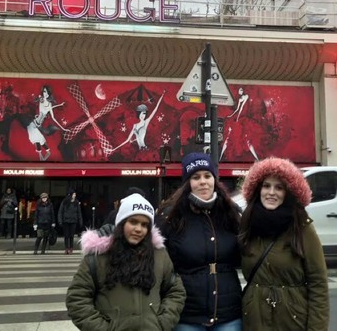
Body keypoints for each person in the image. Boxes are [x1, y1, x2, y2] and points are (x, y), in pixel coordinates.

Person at [66, 193, 186, 330]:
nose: (139, 229)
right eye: (133, 222)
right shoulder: (98, 256)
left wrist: (162, 322)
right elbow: (77, 299)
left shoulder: (160, 255)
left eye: (145, 224)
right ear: (121, 223)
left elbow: (175, 291)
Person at [239, 157, 329, 331]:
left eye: (279, 187)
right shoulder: (247, 225)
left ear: (288, 193)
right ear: (258, 189)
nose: (271, 192)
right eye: (266, 186)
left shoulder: (302, 228)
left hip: (292, 321)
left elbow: (318, 284)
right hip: (254, 321)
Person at [158, 153, 243, 330]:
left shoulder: (231, 213)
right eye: (196, 177)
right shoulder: (171, 217)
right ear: (187, 183)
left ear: (214, 179)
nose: (203, 182)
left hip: (228, 314)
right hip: (187, 315)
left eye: (207, 176)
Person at [27, 85, 68, 161]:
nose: (44, 93)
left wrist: (63, 128)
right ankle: (41, 160)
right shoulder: (41, 100)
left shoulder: (49, 105)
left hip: (36, 126)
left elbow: (53, 117)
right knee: (39, 140)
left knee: (44, 147)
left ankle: (42, 160)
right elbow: (38, 101)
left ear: (48, 93)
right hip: (33, 125)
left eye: (45, 91)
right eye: (43, 91)